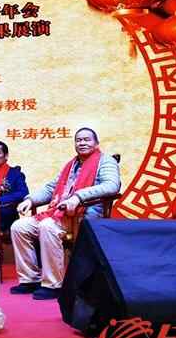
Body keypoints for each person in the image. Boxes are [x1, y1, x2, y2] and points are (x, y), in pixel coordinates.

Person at [9, 127, 121, 300]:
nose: (82, 143)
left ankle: (54, 284)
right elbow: (51, 188)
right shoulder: (72, 165)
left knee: (47, 226)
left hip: (84, 215)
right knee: (19, 226)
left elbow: (112, 185)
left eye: (87, 139)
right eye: (78, 140)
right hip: (61, 213)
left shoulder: (105, 161)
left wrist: (78, 197)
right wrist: (30, 200)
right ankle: (30, 280)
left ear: (96, 143)